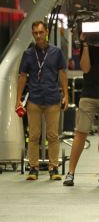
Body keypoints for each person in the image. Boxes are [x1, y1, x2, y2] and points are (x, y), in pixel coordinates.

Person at [63, 10, 99, 187]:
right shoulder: (91, 41)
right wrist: (85, 44)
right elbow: (85, 69)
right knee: (81, 133)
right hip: (89, 93)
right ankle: (70, 173)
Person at [16, 20, 69, 180]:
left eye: (41, 32)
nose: (38, 36)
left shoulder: (56, 52)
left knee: (52, 135)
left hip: (53, 98)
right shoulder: (28, 54)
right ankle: (33, 168)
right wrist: (18, 99)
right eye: (35, 33)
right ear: (33, 34)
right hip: (34, 99)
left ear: (46, 32)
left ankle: (54, 169)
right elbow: (22, 77)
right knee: (33, 136)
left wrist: (66, 94)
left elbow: (62, 73)